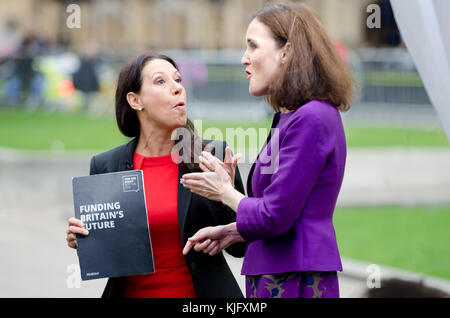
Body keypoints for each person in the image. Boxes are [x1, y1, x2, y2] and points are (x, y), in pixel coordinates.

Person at [181, 2, 354, 298]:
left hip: (295, 278)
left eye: (252, 46)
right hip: (278, 273)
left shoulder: (311, 117)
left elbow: (274, 216)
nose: (243, 59)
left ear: (286, 52)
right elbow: (280, 211)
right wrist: (234, 231)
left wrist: (225, 191)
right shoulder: (291, 117)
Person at [66, 52, 247, 298]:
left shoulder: (211, 155)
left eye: (178, 80)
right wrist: (86, 241)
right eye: (161, 81)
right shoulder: (107, 165)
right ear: (135, 100)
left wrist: (227, 195)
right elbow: (110, 254)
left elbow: (241, 248)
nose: (177, 88)